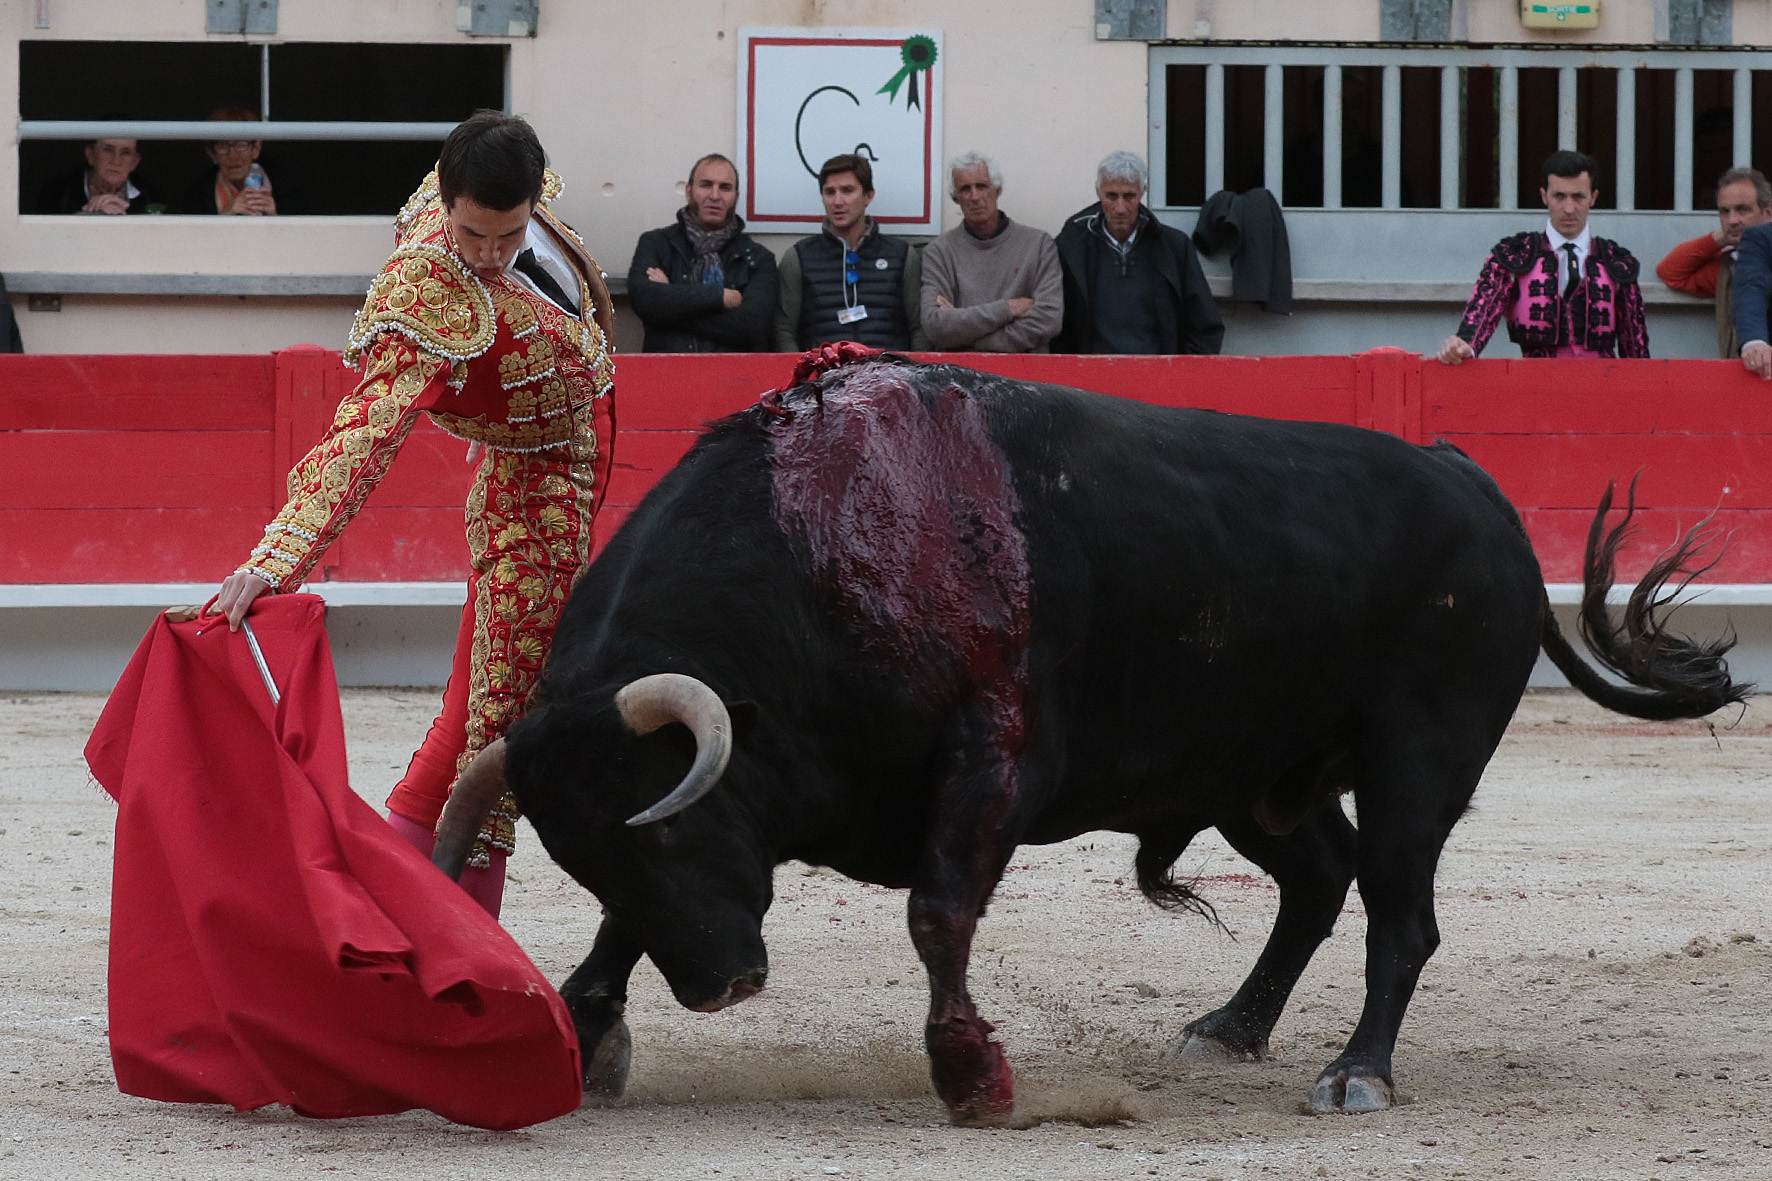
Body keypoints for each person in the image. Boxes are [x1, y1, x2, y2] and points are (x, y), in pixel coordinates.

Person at [211, 112, 617, 915]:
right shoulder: (427, 285)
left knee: (474, 717)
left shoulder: (499, 189)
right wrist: (276, 557)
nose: (491, 255)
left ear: (534, 197)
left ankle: (394, 919)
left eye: (509, 234)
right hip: (534, 494)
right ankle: (457, 948)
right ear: (447, 200)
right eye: (473, 233)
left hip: (552, 473)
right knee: (497, 736)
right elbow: (364, 435)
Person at [1439, 150, 1648, 363]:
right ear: (1544, 196)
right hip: (1535, 383)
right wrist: (1464, 345)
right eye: (1559, 196)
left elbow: (1635, 346)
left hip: (1602, 384)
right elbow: (1481, 313)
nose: (1568, 208)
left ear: (1593, 198)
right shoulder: (1515, 255)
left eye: (1578, 197)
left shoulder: (1616, 261)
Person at [1052, 151, 1223, 355]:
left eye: (1129, 196)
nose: (1120, 208)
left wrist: (1181, 376)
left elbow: (1205, 326)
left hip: (1158, 376)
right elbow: (1056, 324)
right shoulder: (1072, 245)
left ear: (1143, 193)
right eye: (1111, 196)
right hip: (1090, 374)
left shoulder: (1174, 246)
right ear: (1098, 192)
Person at [774, 153, 928, 352]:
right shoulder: (798, 257)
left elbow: (919, 328)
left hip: (888, 376)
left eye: (847, 191)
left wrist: (913, 376)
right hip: (825, 377)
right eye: (830, 192)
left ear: (868, 195)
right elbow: (784, 329)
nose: (838, 201)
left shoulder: (902, 255)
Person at [627, 153, 778, 351]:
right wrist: (720, 296)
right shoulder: (656, 243)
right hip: (668, 374)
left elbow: (753, 327)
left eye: (725, 188)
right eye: (706, 185)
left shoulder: (758, 258)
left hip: (734, 376)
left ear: (736, 197)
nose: (715, 196)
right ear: (689, 192)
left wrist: (670, 303)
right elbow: (644, 301)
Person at [919, 151, 1063, 352]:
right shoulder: (939, 252)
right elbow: (935, 325)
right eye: (965, 189)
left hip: (1027, 375)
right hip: (962, 375)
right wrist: (1008, 308)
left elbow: (1048, 320)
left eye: (982, 186)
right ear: (955, 198)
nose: (975, 197)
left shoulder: (1038, 245)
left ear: (997, 190)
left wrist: (969, 339)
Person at [1656, 167, 1772, 359]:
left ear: (1768, 212)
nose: (1732, 220)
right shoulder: (1725, 267)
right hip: (1736, 377)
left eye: (1743, 210)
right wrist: (1722, 237)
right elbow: (1670, 271)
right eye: (1724, 212)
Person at [176, 106, 279, 216]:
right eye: (223, 146)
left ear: (256, 149)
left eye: (240, 144)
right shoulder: (196, 195)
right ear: (212, 154)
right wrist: (226, 214)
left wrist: (275, 216)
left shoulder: (285, 185)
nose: (233, 156)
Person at [40, 136, 155, 215]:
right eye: (108, 150)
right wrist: (88, 214)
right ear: (91, 155)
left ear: (134, 162)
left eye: (125, 152)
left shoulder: (152, 195)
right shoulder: (57, 192)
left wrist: (127, 212)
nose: (116, 161)